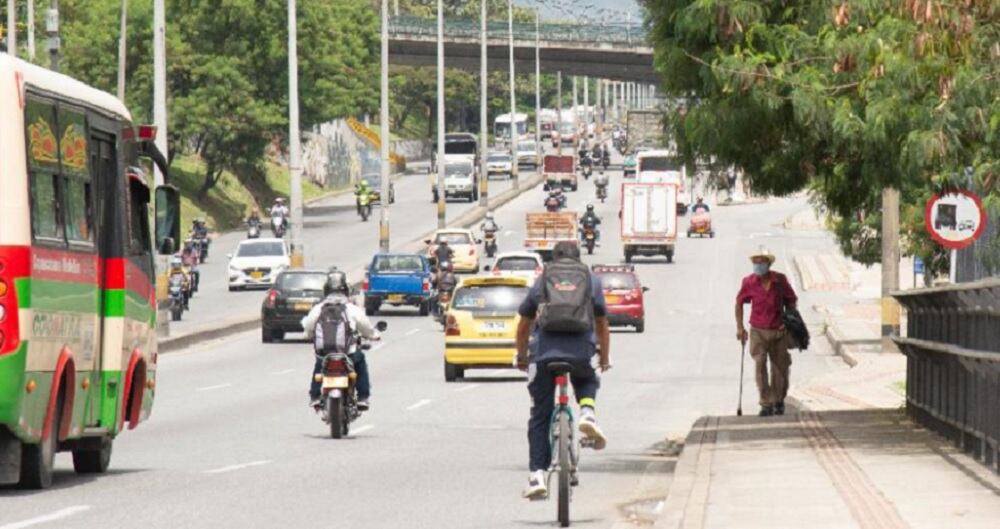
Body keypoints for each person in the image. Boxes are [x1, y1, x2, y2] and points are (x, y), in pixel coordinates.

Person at [516, 241, 611, 499]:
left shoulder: (543, 278)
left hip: (544, 354)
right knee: (587, 377)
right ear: (578, 257)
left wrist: (522, 355)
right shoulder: (590, 279)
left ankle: (537, 474)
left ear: (553, 258)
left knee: (540, 415)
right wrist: (604, 356)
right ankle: (588, 412)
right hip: (581, 350)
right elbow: (602, 322)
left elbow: (524, 323)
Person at [302, 271, 379, 410]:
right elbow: (366, 327)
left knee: (319, 364)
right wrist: (373, 335)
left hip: (324, 353)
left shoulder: (319, 308)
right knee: (360, 362)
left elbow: (308, 326)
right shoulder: (352, 309)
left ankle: (314, 395)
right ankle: (363, 397)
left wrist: (307, 335)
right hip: (348, 354)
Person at [735, 248, 798, 417]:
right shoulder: (748, 282)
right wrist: (740, 328)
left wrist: (789, 321)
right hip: (757, 331)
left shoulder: (780, 280)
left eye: (761, 262)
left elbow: (791, 301)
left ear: (768, 264)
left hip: (778, 331)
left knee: (780, 369)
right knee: (760, 366)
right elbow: (739, 302)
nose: (758, 265)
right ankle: (766, 402)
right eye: (755, 262)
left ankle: (778, 400)